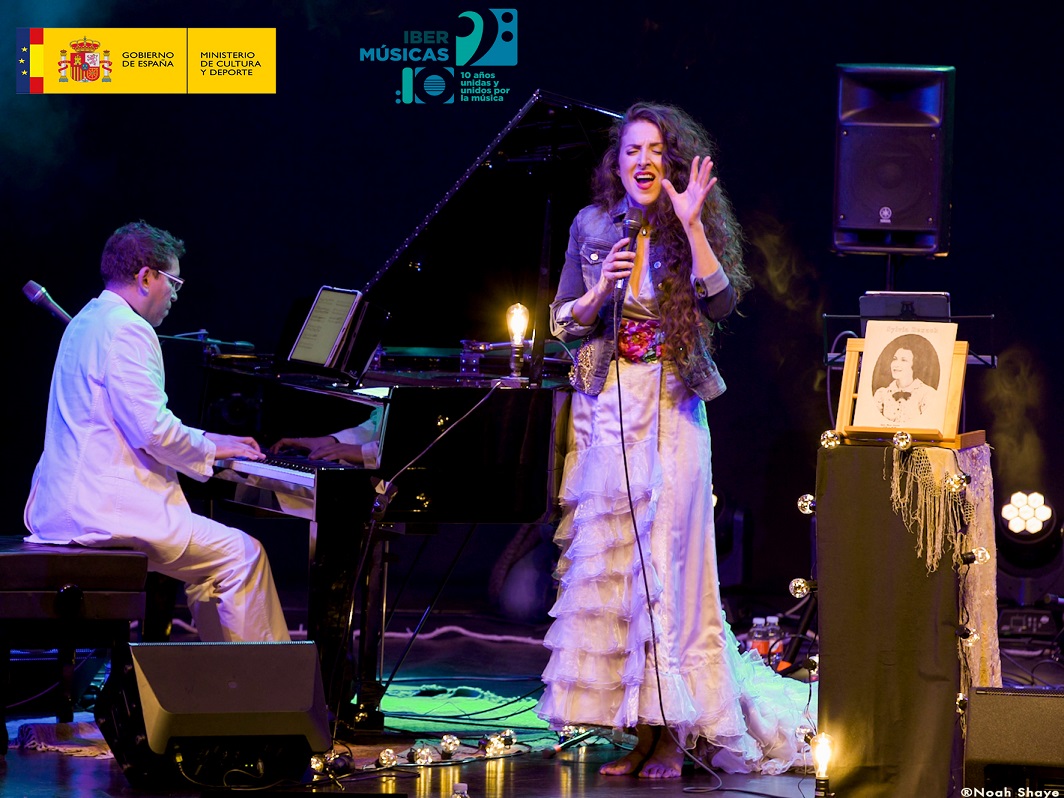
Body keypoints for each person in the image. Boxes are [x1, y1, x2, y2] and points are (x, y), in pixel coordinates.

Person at [535, 102, 811, 778]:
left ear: (672, 161)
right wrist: (598, 293)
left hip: (671, 405)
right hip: (608, 408)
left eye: (655, 150)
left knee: (669, 564)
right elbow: (562, 322)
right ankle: (638, 728)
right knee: (619, 570)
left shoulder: (689, 222)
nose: (642, 161)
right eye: (631, 150)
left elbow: (719, 301)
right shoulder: (591, 225)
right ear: (617, 162)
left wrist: (691, 224)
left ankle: (674, 732)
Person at [24, 221, 290, 643]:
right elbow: (152, 432)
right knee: (245, 556)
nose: (176, 294)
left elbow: (128, 419)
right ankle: (258, 683)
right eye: (174, 282)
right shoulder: (130, 329)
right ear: (146, 277)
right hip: (106, 513)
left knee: (215, 566)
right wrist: (211, 450)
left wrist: (209, 441)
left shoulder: (86, 320)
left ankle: (224, 674)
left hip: (61, 508)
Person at [873, 344, 939, 425]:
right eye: (895, 359)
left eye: (903, 360)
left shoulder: (927, 394)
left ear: (915, 365)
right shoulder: (881, 394)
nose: (896, 364)